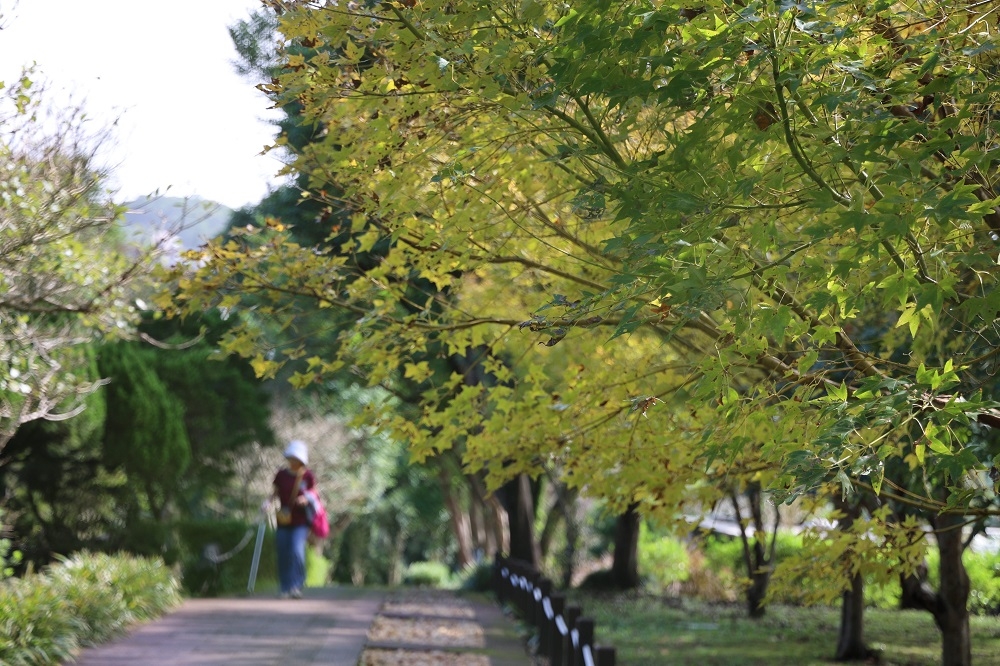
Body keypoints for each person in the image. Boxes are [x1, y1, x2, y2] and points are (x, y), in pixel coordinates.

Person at [271, 440, 315, 599]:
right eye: (291, 458)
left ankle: (296, 586)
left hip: (300, 520)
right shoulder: (281, 475)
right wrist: (267, 503)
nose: (293, 461)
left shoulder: (308, 476)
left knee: (296, 551)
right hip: (284, 519)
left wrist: (305, 499)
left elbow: (313, 495)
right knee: (283, 551)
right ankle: (285, 587)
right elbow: (274, 493)